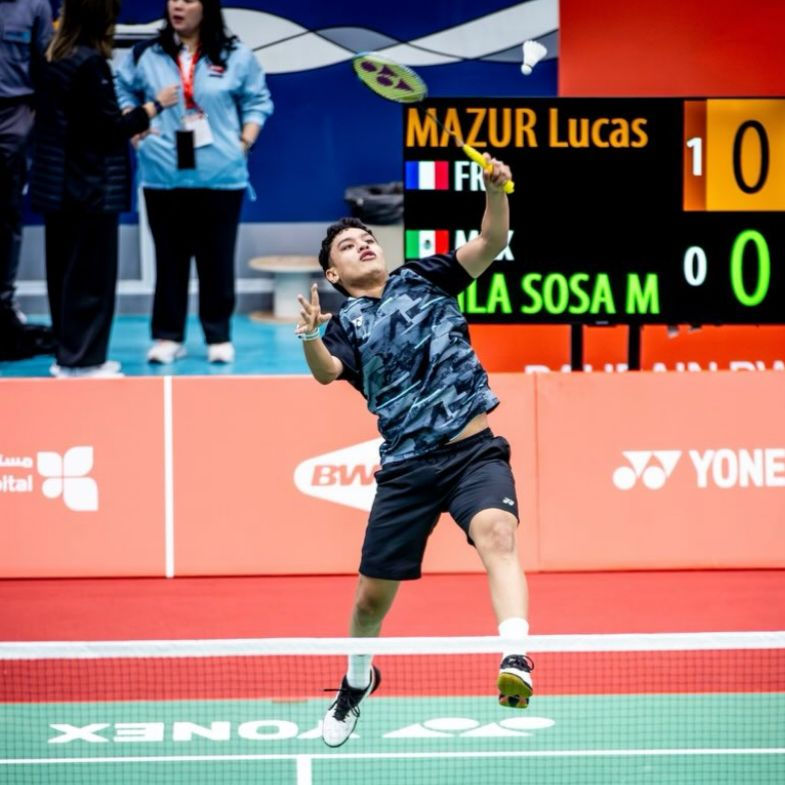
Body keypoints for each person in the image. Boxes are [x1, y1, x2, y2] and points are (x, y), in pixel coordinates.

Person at [295, 155, 534, 748]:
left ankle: (516, 655)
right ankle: (357, 682)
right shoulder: (343, 325)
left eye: (367, 238)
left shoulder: (425, 276)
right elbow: (326, 373)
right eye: (348, 246)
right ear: (333, 272)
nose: (363, 245)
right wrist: (310, 335)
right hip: (407, 468)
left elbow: (492, 240)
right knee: (370, 600)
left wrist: (495, 191)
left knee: (498, 533)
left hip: (472, 451)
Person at [115, 0, 274, 365]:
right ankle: (167, 336)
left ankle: (218, 334)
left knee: (216, 259)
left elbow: (258, 101)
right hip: (162, 174)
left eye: (187, 0)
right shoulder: (145, 54)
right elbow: (122, 90)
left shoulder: (235, 54)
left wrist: (243, 142)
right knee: (169, 260)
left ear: (206, 7)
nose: (177, 6)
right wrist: (134, 126)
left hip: (221, 176)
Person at [29, 0, 179, 378]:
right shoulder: (90, 64)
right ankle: (84, 361)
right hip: (89, 188)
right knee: (90, 279)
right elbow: (108, 130)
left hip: (57, 186)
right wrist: (152, 108)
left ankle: (67, 356)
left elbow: (82, 122)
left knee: (63, 277)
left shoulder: (51, 56)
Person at [0, 0, 55, 361]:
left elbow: (45, 63)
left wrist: (32, 117)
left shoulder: (35, 5)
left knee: (6, 216)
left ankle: (4, 304)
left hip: (15, 114)